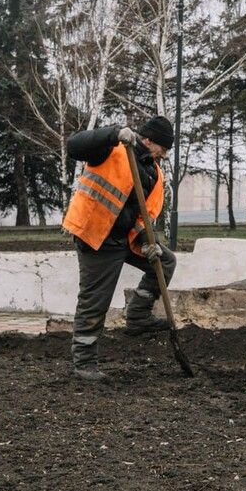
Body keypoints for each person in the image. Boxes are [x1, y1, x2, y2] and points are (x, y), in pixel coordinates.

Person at [62, 115, 177, 382]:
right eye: (163, 147)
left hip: (125, 238)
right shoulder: (113, 149)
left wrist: (149, 244)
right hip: (96, 236)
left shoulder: (153, 171)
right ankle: (84, 364)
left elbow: (146, 214)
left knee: (165, 262)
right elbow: (74, 145)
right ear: (148, 140)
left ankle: (137, 317)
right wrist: (112, 133)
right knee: (95, 300)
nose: (164, 154)